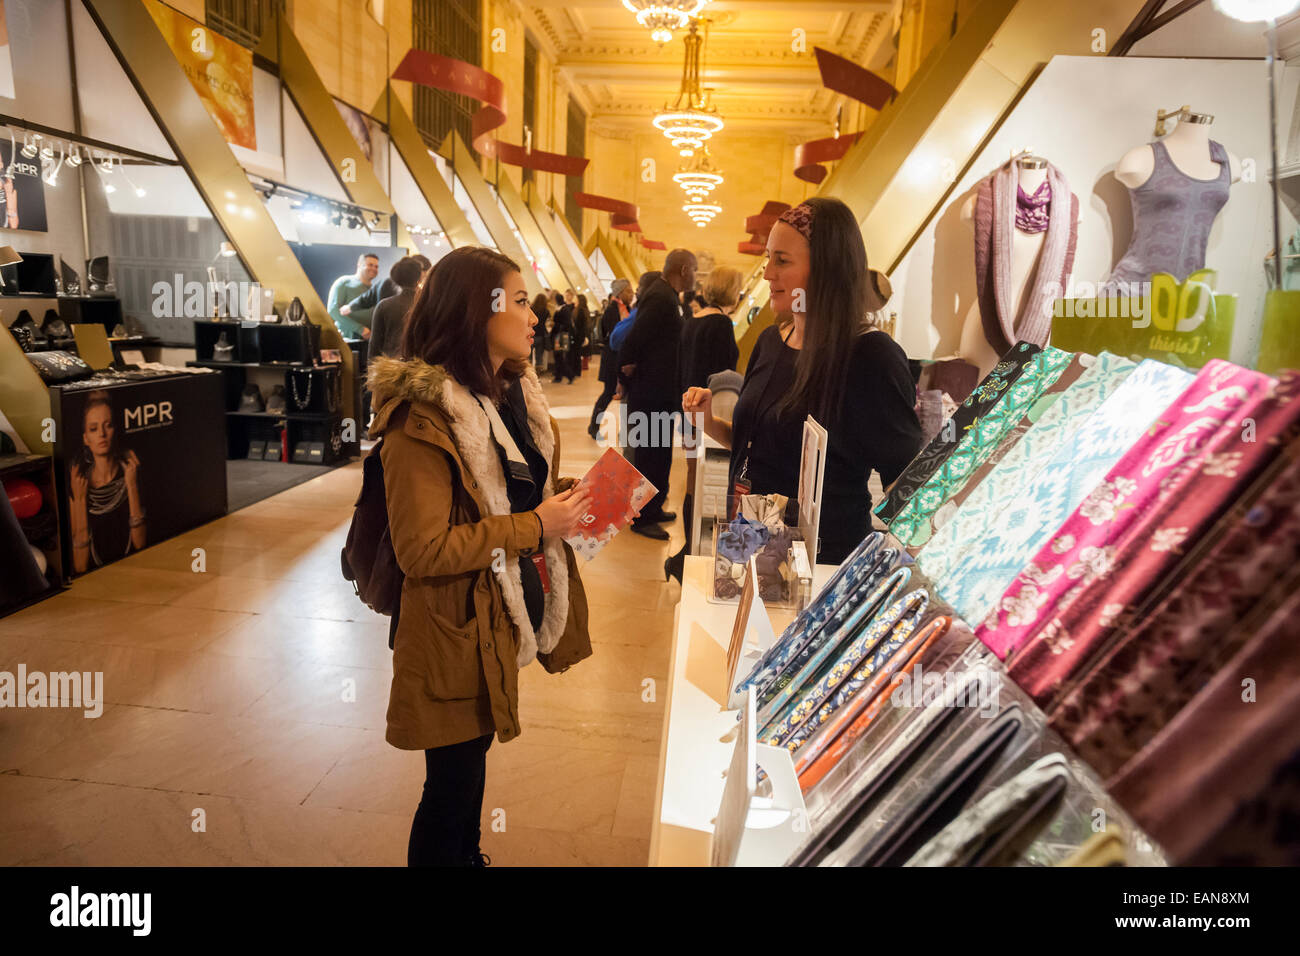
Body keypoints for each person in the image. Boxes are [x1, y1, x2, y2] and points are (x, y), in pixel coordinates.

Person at [367, 245, 594, 867]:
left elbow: (496, 488)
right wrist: (535, 525)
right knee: (451, 783)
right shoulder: (424, 416)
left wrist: (558, 497)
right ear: (478, 310)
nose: (535, 317)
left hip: (491, 612)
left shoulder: (498, 394)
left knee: (469, 769)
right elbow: (423, 549)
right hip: (449, 624)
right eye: (520, 302)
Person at [683, 197, 923, 565]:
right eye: (768, 259)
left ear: (827, 268)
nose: (767, 274)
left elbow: (906, 482)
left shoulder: (870, 356)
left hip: (820, 568)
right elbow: (762, 447)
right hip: (747, 544)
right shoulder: (770, 341)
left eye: (782, 260)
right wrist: (709, 424)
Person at [664, 266, 743, 581]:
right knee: (702, 486)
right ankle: (685, 556)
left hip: (689, 409)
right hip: (710, 412)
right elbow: (725, 374)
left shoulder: (693, 320)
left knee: (693, 482)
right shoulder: (721, 323)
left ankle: (684, 556)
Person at [619, 248, 697, 540]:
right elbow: (635, 338)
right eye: (695, 270)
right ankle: (642, 518)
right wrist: (623, 373)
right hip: (650, 394)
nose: (696, 277)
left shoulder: (670, 298)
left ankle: (655, 507)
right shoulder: (660, 296)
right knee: (649, 456)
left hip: (662, 393)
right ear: (684, 270)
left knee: (661, 455)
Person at [68, 390, 145, 573]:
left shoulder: (130, 471)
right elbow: (80, 565)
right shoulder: (78, 483)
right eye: (93, 429)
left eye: (108, 425)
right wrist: (79, 500)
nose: (102, 434)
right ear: (86, 438)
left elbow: (141, 544)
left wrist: (132, 485)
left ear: (115, 429)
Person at [588, 278, 632, 439]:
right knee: (608, 393)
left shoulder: (625, 309)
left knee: (623, 394)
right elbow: (615, 336)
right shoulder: (613, 310)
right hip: (613, 359)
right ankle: (593, 426)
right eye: (628, 291)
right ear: (620, 292)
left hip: (620, 359)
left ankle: (624, 430)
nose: (632, 294)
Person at [367, 256, 424, 360]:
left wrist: (372, 373)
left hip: (389, 369)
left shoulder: (384, 305)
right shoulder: (427, 304)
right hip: (422, 370)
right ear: (420, 277)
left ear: (395, 278)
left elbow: (374, 347)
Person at [327, 253, 380, 339]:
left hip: (368, 340)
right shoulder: (344, 282)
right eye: (370, 265)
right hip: (349, 338)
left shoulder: (374, 290)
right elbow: (333, 310)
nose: (374, 268)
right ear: (359, 265)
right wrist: (360, 329)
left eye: (376, 266)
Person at [550, 293, 576, 384]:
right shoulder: (563, 308)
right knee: (558, 357)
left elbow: (565, 324)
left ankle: (568, 375)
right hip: (561, 336)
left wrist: (555, 325)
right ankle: (559, 376)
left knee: (559, 357)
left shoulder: (563, 309)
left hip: (560, 336)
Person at [570, 293, 591, 380]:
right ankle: (576, 371)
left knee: (576, 354)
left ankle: (576, 371)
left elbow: (580, 324)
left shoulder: (580, 310)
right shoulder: (581, 310)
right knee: (577, 354)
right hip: (579, 335)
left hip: (578, 335)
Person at [530, 292, 552, 372]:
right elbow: (548, 324)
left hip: (531, 335)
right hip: (541, 336)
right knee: (539, 357)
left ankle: (528, 374)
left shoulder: (531, 309)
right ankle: (537, 375)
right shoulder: (546, 311)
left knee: (529, 357)